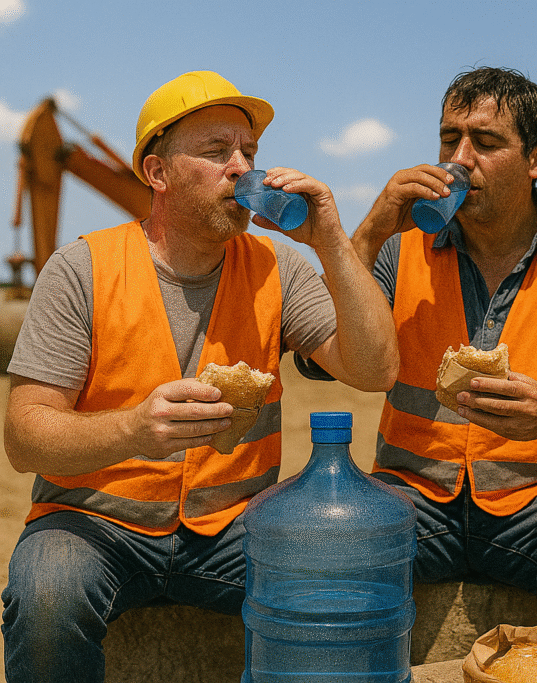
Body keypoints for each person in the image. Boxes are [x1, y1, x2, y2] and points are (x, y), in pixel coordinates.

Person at [1, 70, 398, 682]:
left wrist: (332, 243)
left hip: (234, 530)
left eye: (249, 153)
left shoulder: (277, 268)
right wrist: (134, 429)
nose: (242, 168)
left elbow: (375, 370)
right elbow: (25, 436)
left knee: (340, 581)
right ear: (157, 173)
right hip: (93, 524)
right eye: (217, 152)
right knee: (48, 593)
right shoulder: (80, 269)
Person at [340, 66, 537, 655]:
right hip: (411, 491)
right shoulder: (397, 245)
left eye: (485, 142)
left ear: (536, 158)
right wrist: (373, 227)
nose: (459, 159)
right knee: (339, 544)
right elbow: (320, 355)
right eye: (448, 139)